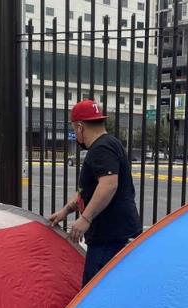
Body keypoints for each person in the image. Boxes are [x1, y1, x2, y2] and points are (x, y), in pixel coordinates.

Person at [48, 99, 142, 286]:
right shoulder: (109, 144)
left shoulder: (101, 148)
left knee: (94, 294)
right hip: (113, 235)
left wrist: (85, 219)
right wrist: (66, 211)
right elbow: (87, 190)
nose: (76, 134)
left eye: (75, 130)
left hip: (110, 238)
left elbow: (108, 185)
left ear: (80, 127)